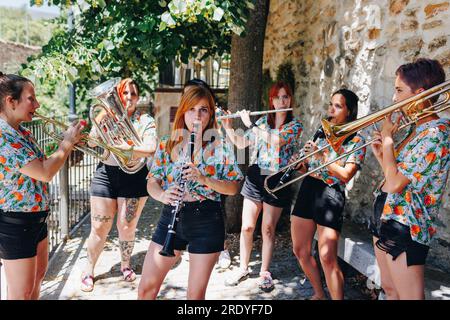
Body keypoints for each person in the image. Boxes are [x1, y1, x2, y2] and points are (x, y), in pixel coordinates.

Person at [138, 85, 243, 300]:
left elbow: (233, 188)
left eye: (203, 110)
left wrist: (202, 178)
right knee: (146, 289)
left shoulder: (220, 147)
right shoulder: (167, 144)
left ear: (210, 114)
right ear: (183, 111)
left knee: (194, 298)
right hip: (171, 218)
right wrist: (162, 195)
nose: (197, 115)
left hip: (206, 220)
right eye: (192, 109)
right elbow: (152, 182)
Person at [369, 58, 449, 300]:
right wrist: (383, 154)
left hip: (407, 224)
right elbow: (393, 178)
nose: (394, 99)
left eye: (399, 90)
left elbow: (395, 184)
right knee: (390, 291)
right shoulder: (417, 130)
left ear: (420, 94)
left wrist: (388, 139)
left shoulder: (437, 133)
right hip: (386, 212)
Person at [0, 72, 84, 299]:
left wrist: (68, 145)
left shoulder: (22, 132)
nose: (37, 104)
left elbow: (42, 164)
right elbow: (45, 173)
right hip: (16, 222)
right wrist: (66, 144)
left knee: (37, 280)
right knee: (21, 293)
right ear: (11, 101)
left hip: (37, 217)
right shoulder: (3, 137)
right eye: (31, 98)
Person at [223, 82, 303, 292]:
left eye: (285, 97)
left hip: (277, 180)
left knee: (267, 229)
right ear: (272, 100)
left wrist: (252, 125)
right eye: (278, 97)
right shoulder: (262, 122)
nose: (282, 101)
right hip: (256, 176)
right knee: (247, 227)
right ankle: (242, 268)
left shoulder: (294, 126)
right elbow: (241, 144)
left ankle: (264, 272)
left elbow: (276, 142)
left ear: (290, 100)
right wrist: (229, 128)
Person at [80, 78, 157, 292]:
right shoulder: (107, 117)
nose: (129, 97)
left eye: (133, 94)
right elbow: (92, 142)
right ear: (118, 96)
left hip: (134, 175)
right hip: (106, 173)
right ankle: (88, 270)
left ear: (138, 97)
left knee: (126, 226)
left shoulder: (144, 119)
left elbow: (151, 147)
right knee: (99, 227)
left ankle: (125, 265)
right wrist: (102, 114)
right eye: (125, 93)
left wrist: (128, 149)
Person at [291, 88, 365, 300]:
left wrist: (325, 158)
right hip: (308, 189)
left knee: (327, 257)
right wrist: (300, 165)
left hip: (331, 194)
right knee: (300, 250)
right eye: (331, 104)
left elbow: (346, 175)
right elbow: (310, 167)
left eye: (338, 106)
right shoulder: (322, 132)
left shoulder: (356, 141)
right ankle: (318, 293)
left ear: (349, 112)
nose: (331, 109)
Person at [183, 78, 232, 269]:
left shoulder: (214, 113)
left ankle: (223, 247)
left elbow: (228, 137)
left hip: (215, 160)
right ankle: (192, 245)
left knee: (218, 206)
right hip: (195, 157)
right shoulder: (189, 113)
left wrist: (225, 126)